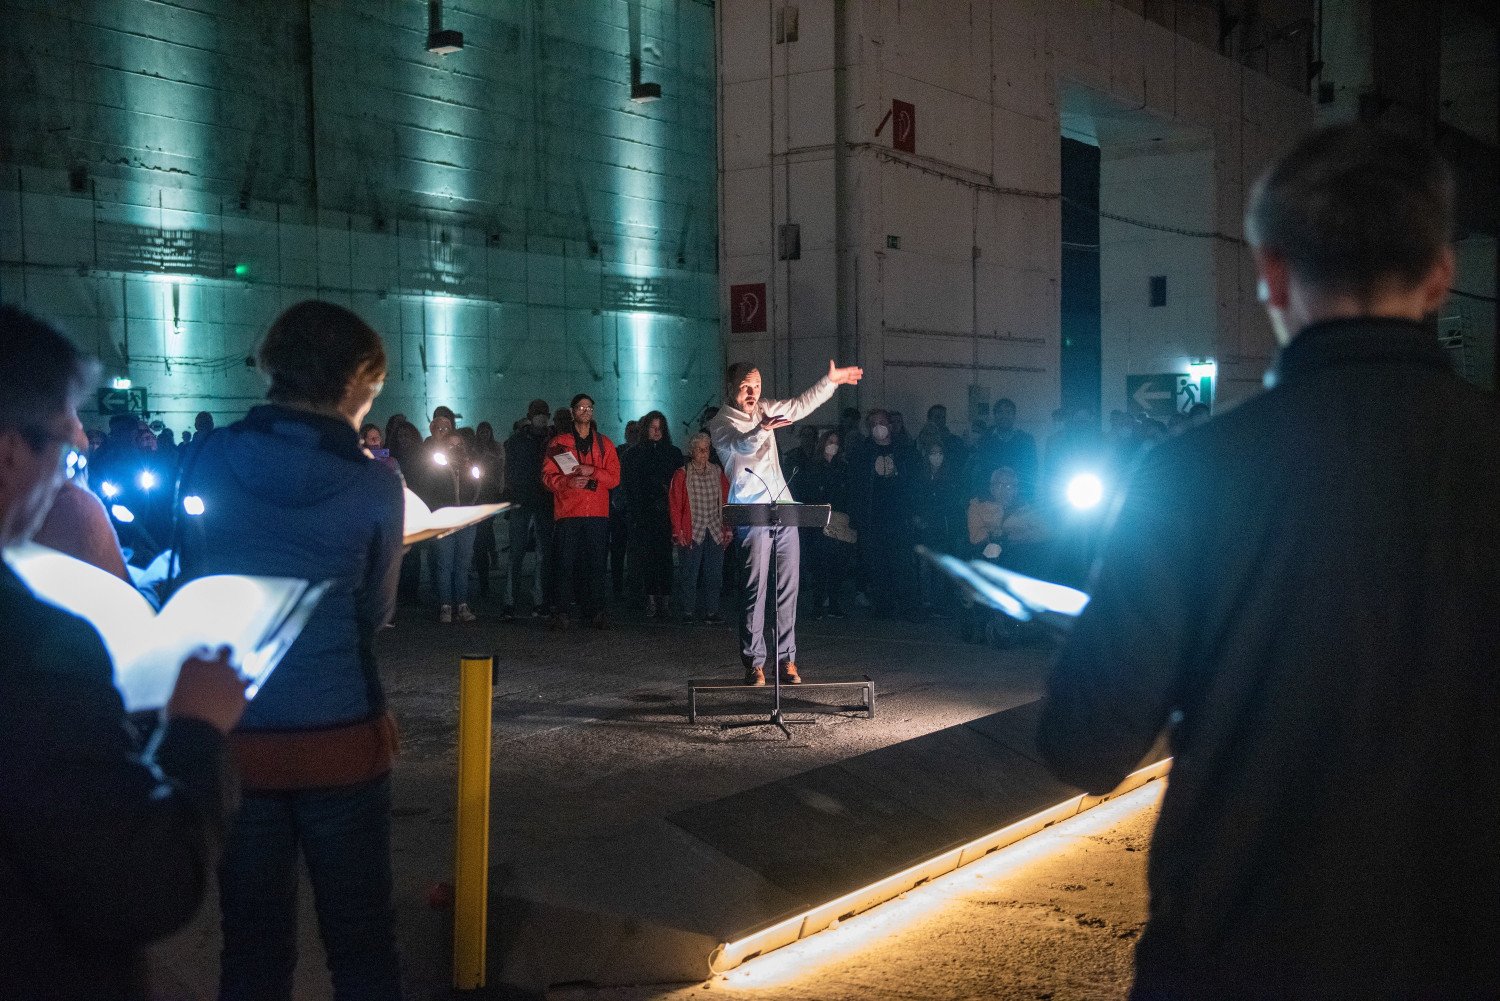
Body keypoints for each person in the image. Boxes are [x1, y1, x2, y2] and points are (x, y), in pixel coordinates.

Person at [1038, 124, 1499, 999]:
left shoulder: (1189, 474)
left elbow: (1086, 741)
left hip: (1239, 955)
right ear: (1441, 274)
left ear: (1273, 273)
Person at [0, 304, 248, 999]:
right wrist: (198, 729)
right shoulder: (34, 646)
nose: (81, 442)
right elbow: (142, 883)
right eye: (64, 433)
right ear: (8, 452)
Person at [174, 300, 405, 1000]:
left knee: (251, 943)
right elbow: (376, 611)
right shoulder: (374, 482)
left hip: (237, 737)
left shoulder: (210, 457)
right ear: (352, 384)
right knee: (362, 944)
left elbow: (191, 580)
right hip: (342, 735)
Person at [710, 359, 863, 685]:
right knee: (754, 590)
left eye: (758, 386)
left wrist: (830, 382)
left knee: (788, 590)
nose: (753, 393)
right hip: (751, 513)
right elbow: (741, 445)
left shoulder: (765, 408)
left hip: (784, 508)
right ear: (731, 388)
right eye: (746, 387)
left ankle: (786, 660)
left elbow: (799, 406)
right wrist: (762, 429)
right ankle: (754, 663)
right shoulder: (721, 424)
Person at [542, 393, 620, 629]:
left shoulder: (604, 443)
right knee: (565, 563)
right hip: (569, 512)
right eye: (581, 408)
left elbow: (614, 478)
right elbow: (547, 477)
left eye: (589, 408)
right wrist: (567, 483)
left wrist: (592, 471)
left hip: (596, 513)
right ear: (573, 411)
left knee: (596, 563)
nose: (585, 411)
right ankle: (562, 611)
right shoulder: (559, 443)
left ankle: (595, 610)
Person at [409, 408, 481, 623]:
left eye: (459, 445)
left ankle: (462, 603)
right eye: (451, 444)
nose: (455, 448)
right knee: (444, 562)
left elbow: (478, 488)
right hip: (443, 518)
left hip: (466, 519)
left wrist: (470, 472)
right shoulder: (434, 462)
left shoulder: (468, 465)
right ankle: (445, 605)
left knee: (462, 563)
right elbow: (426, 488)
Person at [849, 409, 920, 619]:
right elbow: (856, 488)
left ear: (890, 425)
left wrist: (913, 512)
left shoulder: (905, 452)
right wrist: (857, 519)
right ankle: (883, 607)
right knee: (877, 566)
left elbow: (915, 484)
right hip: (873, 519)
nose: (878, 427)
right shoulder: (861, 454)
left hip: (899, 518)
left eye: (882, 422)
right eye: (873, 424)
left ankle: (909, 607)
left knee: (903, 564)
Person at [623, 410, 682, 618]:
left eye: (660, 428)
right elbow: (630, 487)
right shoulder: (633, 454)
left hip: (666, 513)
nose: (657, 432)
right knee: (646, 558)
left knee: (665, 558)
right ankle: (649, 598)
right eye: (652, 427)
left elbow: (679, 485)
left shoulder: (673, 454)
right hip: (643, 514)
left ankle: (664, 599)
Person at [668, 431, 730, 622]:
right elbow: (675, 504)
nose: (703, 453)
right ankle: (688, 610)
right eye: (699, 449)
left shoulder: (717, 472)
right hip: (692, 529)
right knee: (689, 572)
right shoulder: (682, 474)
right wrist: (677, 530)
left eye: (706, 449)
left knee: (714, 573)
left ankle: (712, 610)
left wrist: (728, 528)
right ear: (692, 451)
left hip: (714, 527)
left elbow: (727, 501)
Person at [503, 399, 555, 619]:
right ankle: (510, 601)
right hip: (524, 502)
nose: (541, 416)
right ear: (530, 414)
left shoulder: (551, 441)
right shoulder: (517, 441)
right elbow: (508, 472)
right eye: (538, 413)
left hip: (541, 502)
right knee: (517, 553)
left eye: (544, 413)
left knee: (541, 555)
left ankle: (537, 600)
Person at [795, 429, 854, 618]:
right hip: (819, 522)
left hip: (838, 520)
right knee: (820, 566)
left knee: (838, 565)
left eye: (837, 442)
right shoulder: (812, 467)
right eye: (830, 441)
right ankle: (818, 605)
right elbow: (806, 494)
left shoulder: (842, 467)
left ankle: (834, 604)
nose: (833, 445)